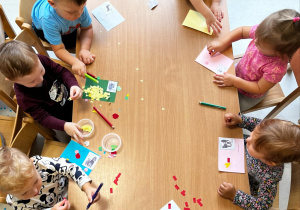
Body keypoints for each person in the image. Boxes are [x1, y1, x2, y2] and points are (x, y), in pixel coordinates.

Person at [207, 9, 300, 112]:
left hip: (248, 95)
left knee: (226, 109)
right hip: (236, 73)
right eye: (257, 37)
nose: (255, 40)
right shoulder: (264, 33)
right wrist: (222, 43)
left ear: (279, 53)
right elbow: (241, 31)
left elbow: (258, 88)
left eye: (259, 44)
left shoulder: (276, 69)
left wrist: (234, 81)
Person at [0, 40, 84, 144]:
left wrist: (73, 85)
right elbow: (43, 118)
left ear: (36, 57)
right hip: (64, 119)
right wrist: (64, 126)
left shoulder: (40, 59)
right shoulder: (24, 99)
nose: (41, 79)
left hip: (77, 101)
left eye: (41, 71)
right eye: (32, 81)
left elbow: (61, 71)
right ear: (13, 80)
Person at [218, 113, 300, 209]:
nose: (248, 140)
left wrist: (235, 195)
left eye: (254, 146)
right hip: (237, 152)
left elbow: (262, 206)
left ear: (269, 162)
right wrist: (240, 119)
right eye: (253, 134)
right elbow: (256, 123)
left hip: (246, 178)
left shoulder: (270, 177)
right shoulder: (265, 131)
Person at [0, 147, 101, 209]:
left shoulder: (40, 163)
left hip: (72, 186)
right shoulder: (15, 203)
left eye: (35, 181)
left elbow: (70, 167)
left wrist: (86, 187)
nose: (35, 191)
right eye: (24, 193)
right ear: (9, 193)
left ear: (33, 164)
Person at [31, 0, 95, 77]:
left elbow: (87, 28)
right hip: (42, 28)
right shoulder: (48, 20)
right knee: (71, 43)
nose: (79, 14)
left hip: (59, 22)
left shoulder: (77, 8)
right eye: (71, 12)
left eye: (83, 7)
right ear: (52, 3)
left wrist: (85, 49)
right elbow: (58, 49)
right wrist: (74, 62)